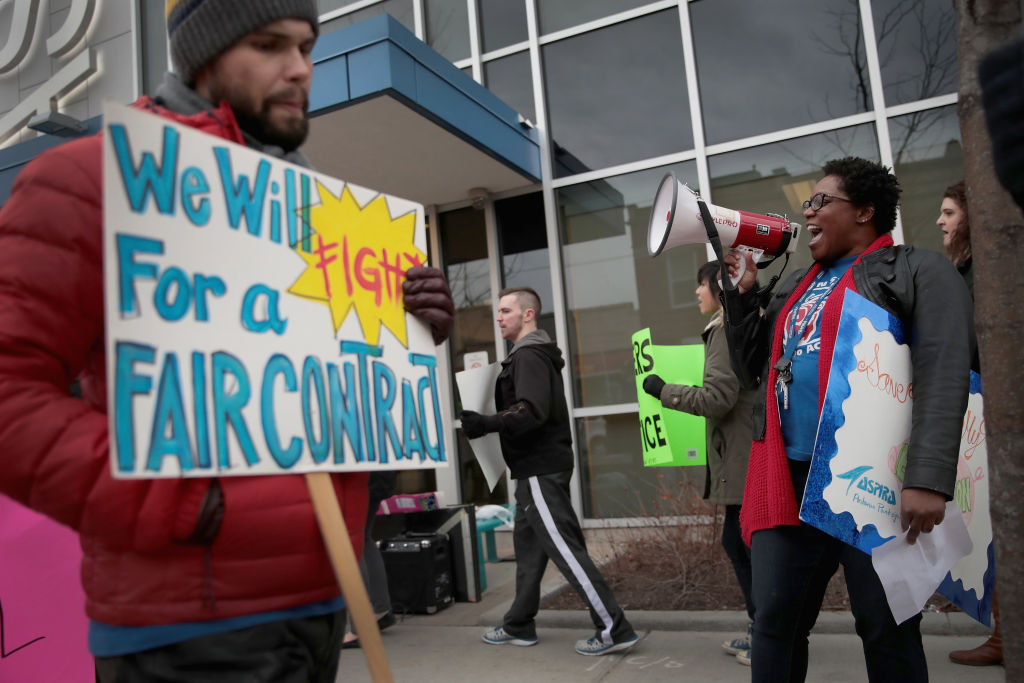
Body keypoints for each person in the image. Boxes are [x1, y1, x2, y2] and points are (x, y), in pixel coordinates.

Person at [0, 1, 454, 680]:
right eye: (270, 45)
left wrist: (412, 330)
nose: (300, 68)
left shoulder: (309, 211)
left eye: (306, 46)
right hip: (185, 628)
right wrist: (166, 498)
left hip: (327, 600)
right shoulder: (85, 180)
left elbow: (327, 390)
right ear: (202, 56)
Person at [722, 157, 974, 683]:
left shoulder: (918, 270)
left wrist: (928, 476)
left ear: (864, 211)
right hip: (789, 481)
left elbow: (945, 371)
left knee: (885, 628)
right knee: (773, 625)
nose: (806, 211)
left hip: (875, 484)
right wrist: (744, 297)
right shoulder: (793, 287)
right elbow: (751, 372)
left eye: (819, 201)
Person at [460, 287, 639, 656]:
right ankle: (518, 623)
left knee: (566, 549)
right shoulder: (526, 356)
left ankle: (613, 628)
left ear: (528, 315)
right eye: (498, 311)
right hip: (531, 472)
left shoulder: (528, 357)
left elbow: (530, 411)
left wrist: (486, 423)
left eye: (506, 310)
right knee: (529, 550)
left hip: (540, 470)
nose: (499, 317)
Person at [641, 260, 756, 666]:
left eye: (700, 285)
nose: (695, 292)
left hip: (744, 455)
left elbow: (717, 399)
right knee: (743, 543)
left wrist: (662, 390)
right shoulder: (732, 325)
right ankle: (764, 629)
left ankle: (767, 634)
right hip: (742, 453)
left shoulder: (725, 329)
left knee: (745, 545)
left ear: (719, 287)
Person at [938, 181, 1001, 667]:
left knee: (1000, 524)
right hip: (980, 409)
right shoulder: (966, 270)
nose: (941, 221)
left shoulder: (984, 273)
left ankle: (1007, 635)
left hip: (990, 412)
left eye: (949, 212)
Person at [342, 471, 398, 650]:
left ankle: (360, 628)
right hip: (377, 475)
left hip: (356, 477)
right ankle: (380, 611)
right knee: (364, 538)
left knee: (351, 542)